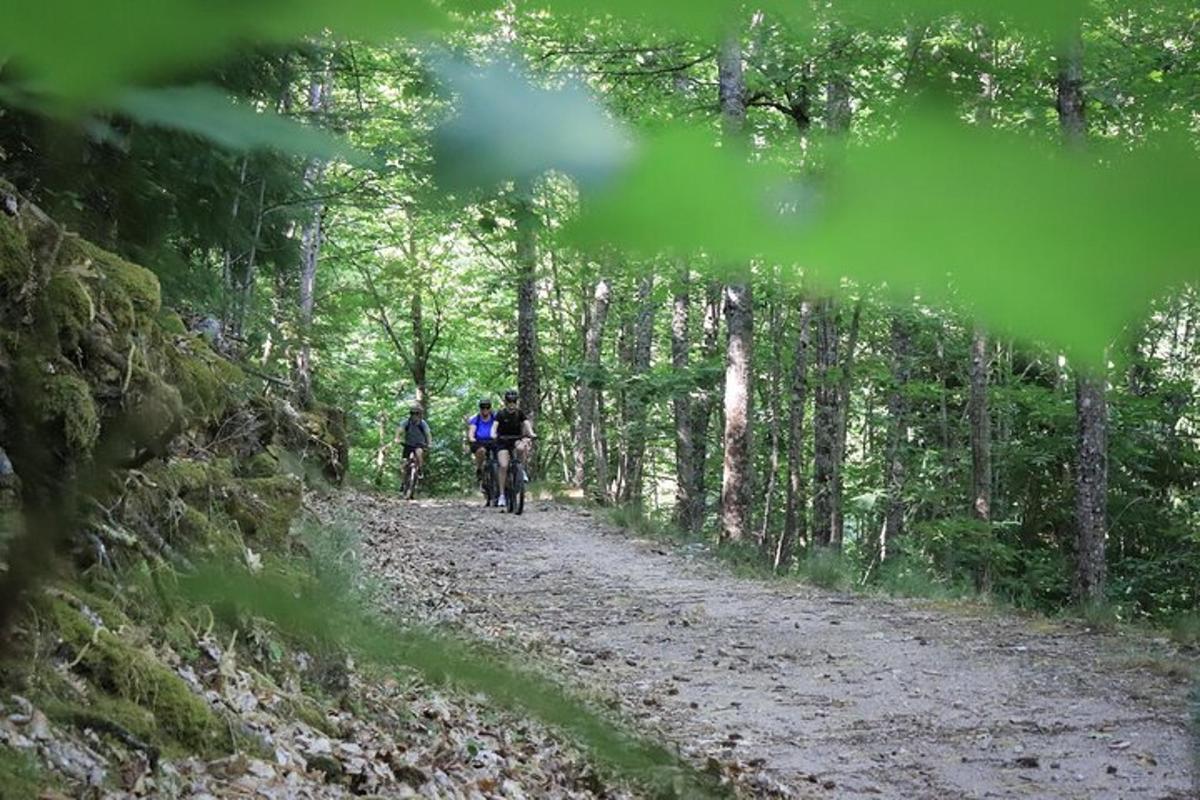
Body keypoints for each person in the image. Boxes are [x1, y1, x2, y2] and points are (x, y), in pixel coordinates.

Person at [494, 389, 534, 508]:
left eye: (514, 402)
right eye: (509, 402)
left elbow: (526, 423)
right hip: (502, 442)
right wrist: (493, 434)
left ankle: (521, 469)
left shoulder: (519, 413)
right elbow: (494, 426)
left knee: (522, 447)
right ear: (506, 403)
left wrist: (531, 433)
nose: (512, 404)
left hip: (516, 439)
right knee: (504, 466)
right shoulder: (500, 414)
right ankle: (501, 495)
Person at [467, 398, 499, 503]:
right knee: (481, 451)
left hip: (493, 441)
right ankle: (480, 469)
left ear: (490, 408)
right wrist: (472, 438)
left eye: (487, 407)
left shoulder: (495, 417)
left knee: (500, 456)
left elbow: (500, 427)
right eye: (483, 407)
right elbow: (471, 431)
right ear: (480, 408)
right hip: (479, 442)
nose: (485, 409)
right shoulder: (475, 419)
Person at [399, 404, 431, 478]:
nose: (414, 415)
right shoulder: (406, 422)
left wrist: (429, 443)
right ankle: (404, 482)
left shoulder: (423, 424)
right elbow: (400, 429)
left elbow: (428, 434)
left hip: (419, 444)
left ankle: (420, 469)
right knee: (404, 463)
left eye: (416, 413)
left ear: (419, 415)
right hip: (408, 444)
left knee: (419, 453)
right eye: (412, 413)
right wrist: (397, 438)